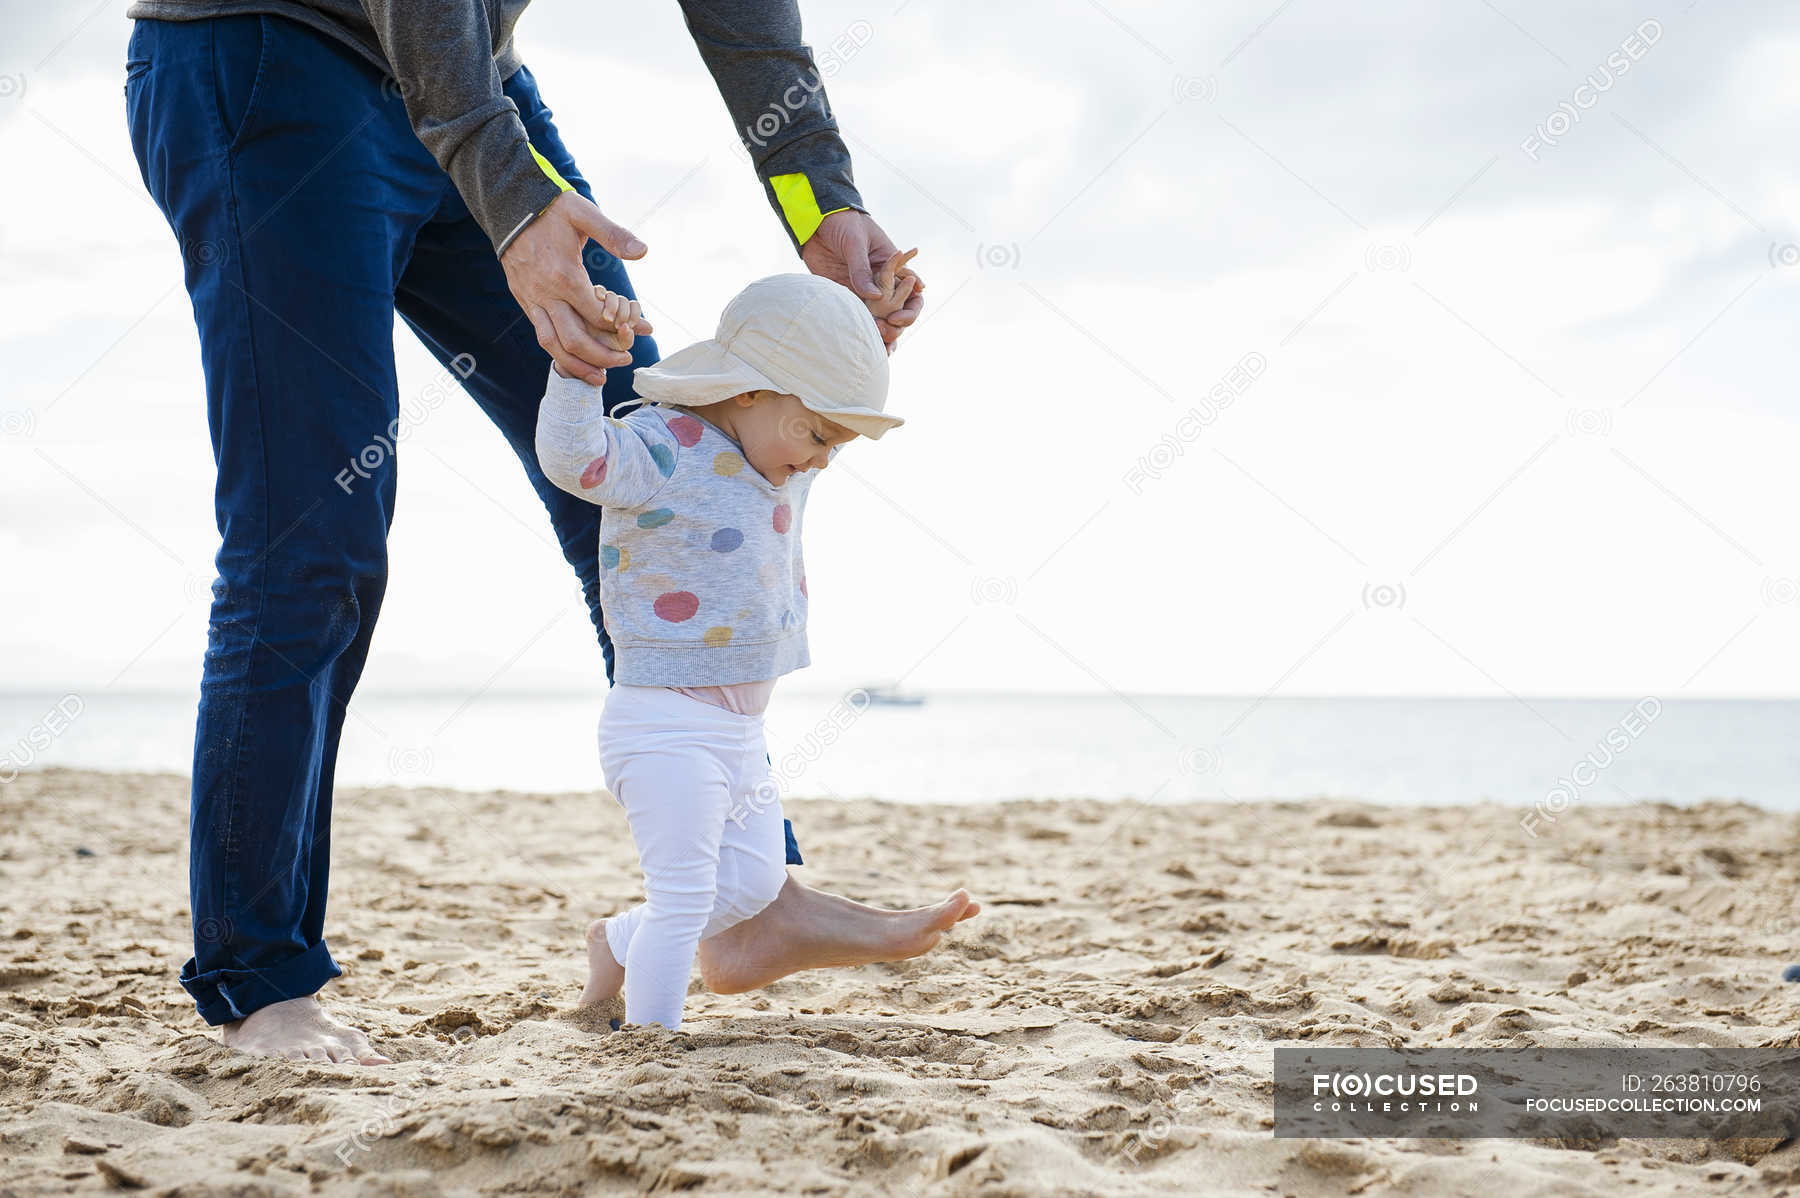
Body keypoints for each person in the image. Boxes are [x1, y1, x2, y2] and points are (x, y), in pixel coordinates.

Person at [121, 0, 963, 1064]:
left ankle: (746, 898)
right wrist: (513, 198)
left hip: (473, 87)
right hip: (272, 54)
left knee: (658, 467)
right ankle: (261, 978)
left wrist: (818, 197)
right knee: (311, 540)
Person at [536, 268, 924, 1029]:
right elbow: (573, 460)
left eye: (833, 442)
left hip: (740, 733)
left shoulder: (783, 462)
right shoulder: (660, 445)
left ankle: (617, 942)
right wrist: (578, 370)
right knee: (683, 897)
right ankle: (651, 1040)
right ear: (748, 392)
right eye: (818, 436)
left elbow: (823, 391)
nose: (822, 459)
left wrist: (868, 338)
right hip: (664, 723)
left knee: (751, 884)